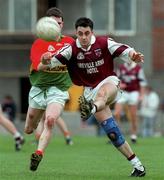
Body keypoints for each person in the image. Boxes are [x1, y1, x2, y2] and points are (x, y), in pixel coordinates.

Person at [39, 17, 146, 177]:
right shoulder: (70, 50)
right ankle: (138, 166)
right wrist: (44, 59)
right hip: (90, 92)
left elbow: (126, 50)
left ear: (92, 33)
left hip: (109, 83)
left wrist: (133, 56)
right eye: (80, 33)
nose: (83, 37)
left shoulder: (104, 43)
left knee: (102, 94)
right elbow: (42, 66)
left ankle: (91, 108)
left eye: (86, 33)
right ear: (76, 33)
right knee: (112, 133)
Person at [23, 7, 74, 171]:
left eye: (59, 23)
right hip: (39, 88)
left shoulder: (70, 43)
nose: (56, 26)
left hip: (58, 89)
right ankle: (34, 125)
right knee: (29, 129)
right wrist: (45, 61)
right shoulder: (39, 44)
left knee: (51, 120)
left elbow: (79, 63)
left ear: (62, 24)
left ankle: (38, 153)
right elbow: (38, 66)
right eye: (53, 23)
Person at [114, 61, 147, 143]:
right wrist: (119, 85)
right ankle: (117, 135)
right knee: (117, 113)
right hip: (123, 92)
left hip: (134, 92)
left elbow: (142, 83)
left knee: (133, 115)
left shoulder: (138, 68)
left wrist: (142, 95)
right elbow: (116, 80)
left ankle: (133, 135)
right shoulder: (121, 67)